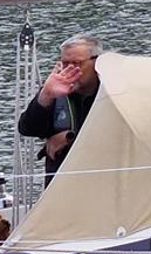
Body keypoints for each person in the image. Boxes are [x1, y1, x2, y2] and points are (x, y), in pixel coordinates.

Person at [18, 34, 104, 186]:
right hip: (61, 185)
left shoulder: (111, 91)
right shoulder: (55, 90)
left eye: (77, 63)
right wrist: (45, 95)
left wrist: (71, 138)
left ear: (96, 62)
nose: (70, 69)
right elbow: (27, 128)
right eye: (65, 63)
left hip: (102, 179)